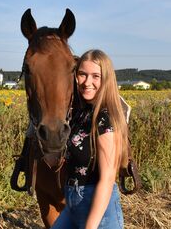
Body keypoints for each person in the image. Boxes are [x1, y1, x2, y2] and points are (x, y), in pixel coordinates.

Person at [51, 49, 129, 229]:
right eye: (82, 75)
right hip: (73, 203)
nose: (87, 82)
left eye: (96, 76)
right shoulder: (80, 114)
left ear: (106, 80)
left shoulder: (105, 118)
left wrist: (91, 226)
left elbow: (108, 178)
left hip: (98, 208)